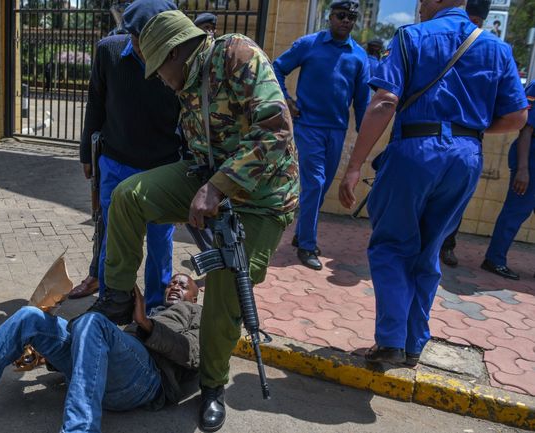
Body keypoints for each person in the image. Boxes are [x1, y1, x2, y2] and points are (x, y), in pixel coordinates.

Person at [84, 11, 297, 431]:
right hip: (206, 178)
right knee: (128, 197)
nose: (159, 80)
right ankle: (120, 296)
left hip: (262, 198)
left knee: (223, 292)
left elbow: (276, 131)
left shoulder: (238, 54)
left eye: (159, 68)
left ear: (177, 52)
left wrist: (217, 188)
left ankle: (213, 384)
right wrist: (207, 185)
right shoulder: (185, 79)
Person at [338, 0, 527, 365]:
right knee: (430, 249)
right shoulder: (496, 48)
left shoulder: (412, 37)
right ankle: (413, 344)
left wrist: (354, 164)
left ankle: (391, 341)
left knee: (392, 245)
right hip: (466, 156)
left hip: (415, 151)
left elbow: (384, 102)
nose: (420, 5)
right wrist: (467, 131)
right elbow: (517, 116)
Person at [0, 274, 201, 431]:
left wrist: (142, 322)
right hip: (112, 374)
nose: (174, 285)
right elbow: (94, 342)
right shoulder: (152, 312)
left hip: (146, 384)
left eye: (183, 284)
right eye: (171, 282)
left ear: (195, 296)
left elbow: (190, 354)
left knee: (94, 323)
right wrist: (46, 349)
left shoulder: (202, 318)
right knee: (32, 317)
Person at [69, 0, 181, 312]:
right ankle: (111, 300)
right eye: (133, 37)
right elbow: (95, 101)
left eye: (144, 38)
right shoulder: (108, 51)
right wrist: (86, 156)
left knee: (160, 243)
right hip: (116, 164)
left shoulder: (181, 59)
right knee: (113, 240)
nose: (137, 45)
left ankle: (156, 308)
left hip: (164, 169)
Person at [272, 0, 370, 271]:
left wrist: (365, 135)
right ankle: (307, 245)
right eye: (341, 15)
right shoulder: (309, 44)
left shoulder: (359, 56)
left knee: (322, 186)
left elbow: (362, 102)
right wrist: (287, 101)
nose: (346, 21)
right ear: (330, 16)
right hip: (309, 127)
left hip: (337, 131)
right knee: (313, 184)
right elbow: (276, 68)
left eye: (351, 17)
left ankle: (301, 233)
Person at [438, 0, 492, 268]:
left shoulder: (489, 52)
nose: (470, 27)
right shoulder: (434, 42)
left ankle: (447, 245)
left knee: (453, 205)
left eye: (477, 23)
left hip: (465, 142)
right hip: (427, 138)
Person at [481, 81, 535, 280]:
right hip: (530, 161)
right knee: (515, 211)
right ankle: (494, 259)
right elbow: (526, 130)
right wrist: (523, 169)